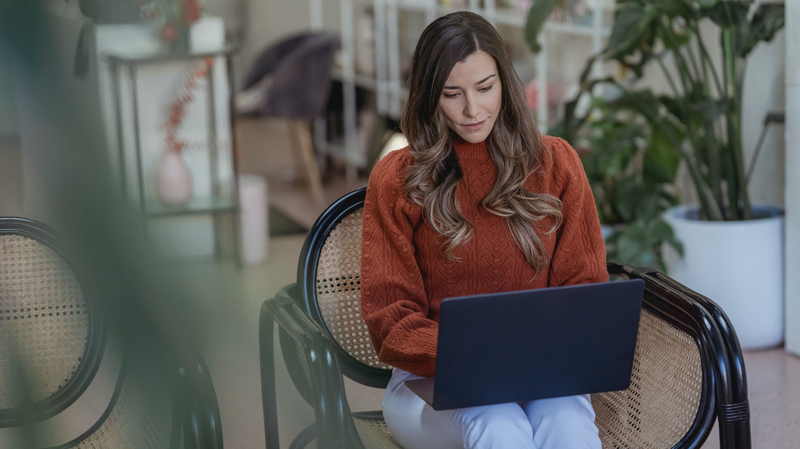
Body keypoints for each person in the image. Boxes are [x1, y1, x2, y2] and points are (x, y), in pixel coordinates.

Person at [360, 11, 607, 449]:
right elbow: (390, 318)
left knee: (568, 422)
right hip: (427, 383)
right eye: (452, 94)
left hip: (539, 375)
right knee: (498, 421)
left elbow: (584, 290)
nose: (472, 110)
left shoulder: (556, 164)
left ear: (506, 85)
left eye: (485, 89)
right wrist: (479, 359)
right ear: (428, 96)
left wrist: (524, 361)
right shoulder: (398, 178)